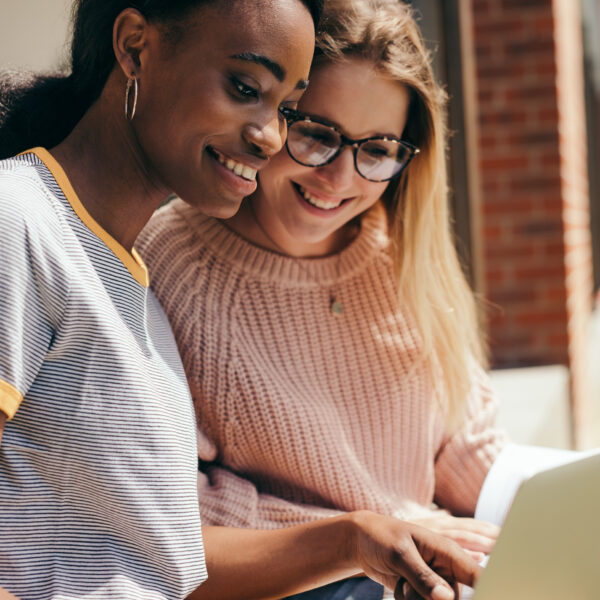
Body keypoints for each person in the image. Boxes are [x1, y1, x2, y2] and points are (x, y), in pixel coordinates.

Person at [0, 1, 481, 599]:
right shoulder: (18, 219)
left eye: (284, 109)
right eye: (243, 86)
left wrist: (354, 541)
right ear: (133, 49)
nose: (268, 136)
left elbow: (165, 564)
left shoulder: (130, 285)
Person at [137, 0, 507, 598]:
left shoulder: (403, 253)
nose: (339, 180)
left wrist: (545, 500)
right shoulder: (171, 265)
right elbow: (170, 515)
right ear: (274, 117)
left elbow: (463, 447)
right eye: (315, 135)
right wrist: (368, 536)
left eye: (378, 149)